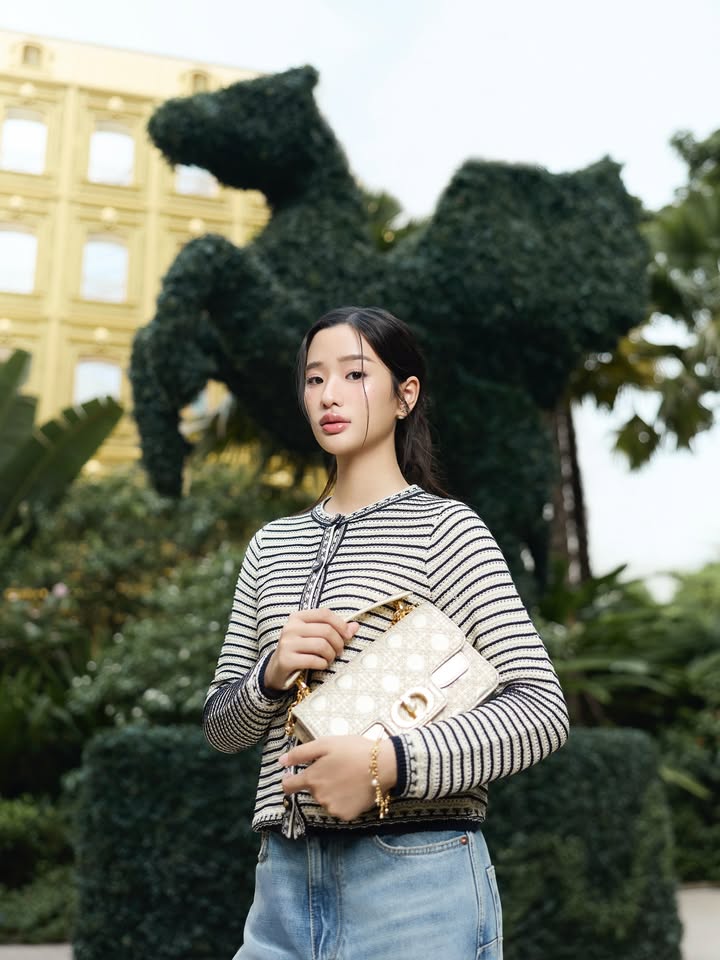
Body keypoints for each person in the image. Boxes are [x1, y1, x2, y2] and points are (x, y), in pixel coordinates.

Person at [203, 306, 570, 960]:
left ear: (406, 395)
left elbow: (540, 711)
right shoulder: (272, 546)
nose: (330, 395)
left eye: (354, 374)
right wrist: (269, 675)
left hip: (415, 878)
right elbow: (220, 729)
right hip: (281, 882)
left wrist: (388, 764)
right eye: (315, 378)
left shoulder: (447, 532)